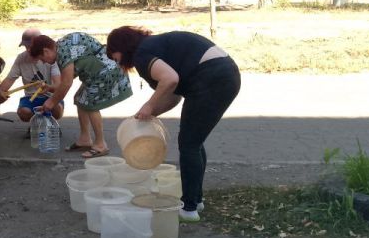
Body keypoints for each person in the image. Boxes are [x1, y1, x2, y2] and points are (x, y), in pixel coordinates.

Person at [106, 26, 240, 223]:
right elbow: (174, 96)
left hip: (211, 78)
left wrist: (149, 104)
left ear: (121, 47)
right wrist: (150, 113)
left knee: (189, 145)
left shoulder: (142, 54)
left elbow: (170, 79)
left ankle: (189, 208)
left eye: (113, 55)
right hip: (226, 74)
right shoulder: (155, 47)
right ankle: (196, 199)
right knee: (194, 141)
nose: (114, 61)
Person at [28, 32, 132, 158]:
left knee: (91, 104)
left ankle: (100, 145)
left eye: (41, 58)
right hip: (100, 70)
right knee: (80, 98)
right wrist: (51, 88)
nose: (43, 62)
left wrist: (51, 102)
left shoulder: (63, 53)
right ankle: (85, 139)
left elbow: (67, 83)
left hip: (105, 71)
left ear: (46, 51)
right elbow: (67, 79)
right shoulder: (61, 47)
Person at [0, 29, 64, 132]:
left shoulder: (50, 58)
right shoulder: (21, 58)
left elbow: (58, 84)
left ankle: (50, 123)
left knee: (56, 109)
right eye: (26, 47)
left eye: (30, 47)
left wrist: (49, 89)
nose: (28, 50)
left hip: (50, 96)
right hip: (30, 97)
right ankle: (37, 123)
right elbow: (9, 79)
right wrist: (1, 92)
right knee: (24, 112)